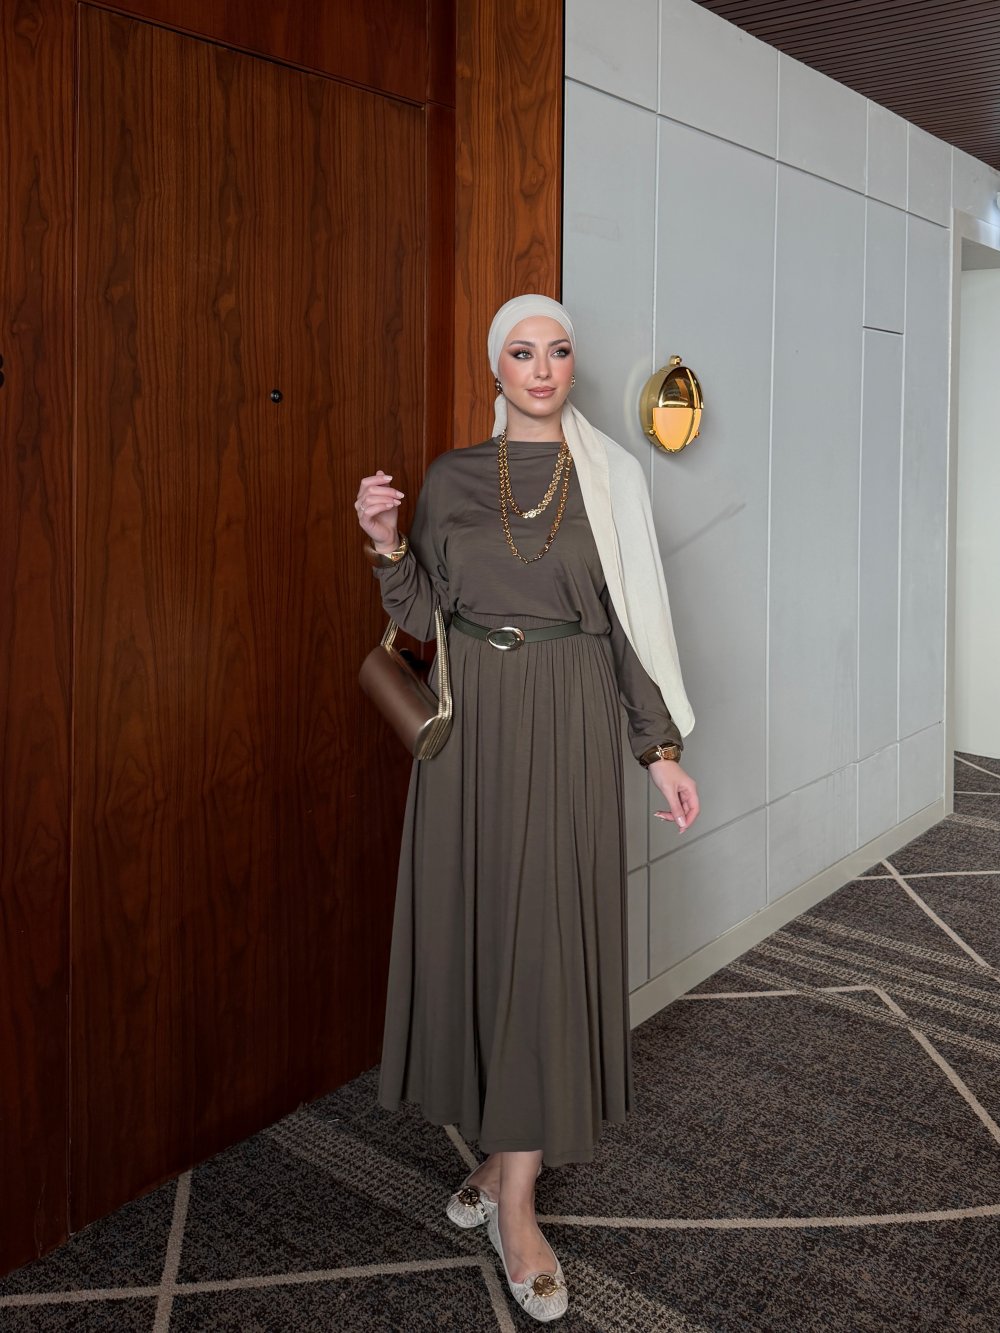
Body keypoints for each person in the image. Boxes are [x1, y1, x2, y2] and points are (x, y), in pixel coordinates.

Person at [354, 295, 699, 1322]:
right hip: (471, 734)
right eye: (521, 351)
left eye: (556, 350)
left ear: (571, 365)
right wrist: (384, 543)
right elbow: (425, 613)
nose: (541, 367)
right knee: (482, 937)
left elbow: (632, 627)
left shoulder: (612, 478)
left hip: (569, 719)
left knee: (543, 947)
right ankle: (505, 1152)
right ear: (495, 367)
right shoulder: (454, 476)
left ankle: (516, 1202)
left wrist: (658, 750)